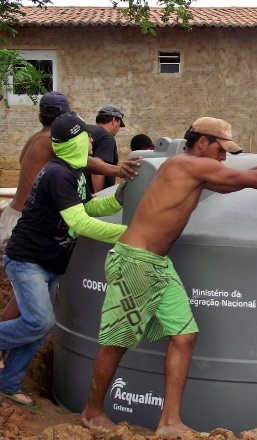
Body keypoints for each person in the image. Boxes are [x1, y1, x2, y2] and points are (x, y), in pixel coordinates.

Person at [80, 117, 257, 436]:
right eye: (221, 150)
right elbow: (250, 182)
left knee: (184, 337)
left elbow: (233, 179)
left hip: (157, 264)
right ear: (201, 143)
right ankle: (92, 411)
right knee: (116, 342)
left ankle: (169, 423)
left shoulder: (189, 167)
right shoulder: (188, 165)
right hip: (135, 262)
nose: (224, 156)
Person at [0, 112, 128, 406]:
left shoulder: (76, 171)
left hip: (50, 262)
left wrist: (119, 198)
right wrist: (131, 233)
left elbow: (89, 210)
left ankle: (8, 384)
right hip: (27, 259)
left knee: (37, 329)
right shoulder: (58, 173)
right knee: (40, 321)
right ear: (75, 141)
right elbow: (80, 223)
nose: (92, 140)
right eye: (86, 135)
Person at [0, 93, 138, 333]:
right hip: (33, 223)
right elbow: (88, 163)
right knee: (33, 312)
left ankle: (7, 347)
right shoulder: (54, 146)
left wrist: (112, 199)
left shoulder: (36, 139)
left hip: (15, 213)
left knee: (26, 302)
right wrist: (117, 170)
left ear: (41, 114)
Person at [86, 104, 126, 193]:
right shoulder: (106, 137)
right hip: (92, 197)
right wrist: (98, 196)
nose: (118, 129)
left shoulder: (85, 130)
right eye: (119, 124)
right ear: (114, 120)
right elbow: (97, 170)